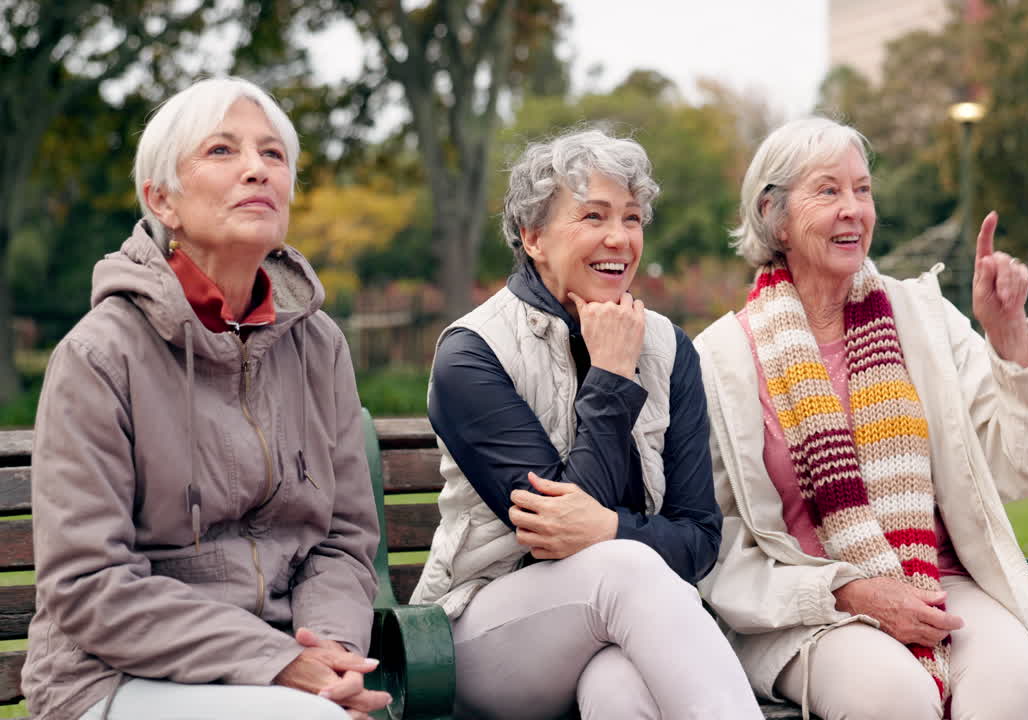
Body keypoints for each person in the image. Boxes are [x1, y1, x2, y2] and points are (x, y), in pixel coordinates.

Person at [693, 116, 1028, 720]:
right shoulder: (721, 358)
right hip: (806, 607)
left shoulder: (923, 321)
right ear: (774, 216)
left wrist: (1008, 334)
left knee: (1015, 688)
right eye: (828, 191)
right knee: (891, 697)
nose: (853, 208)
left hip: (939, 580)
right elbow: (717, 546)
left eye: (863, 189)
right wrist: (851, 593)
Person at [21, 77, 390, 720]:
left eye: (273, 155)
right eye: (222, 151)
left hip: (287, 670)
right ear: (161, 199)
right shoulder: (98, 355)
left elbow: (342, 540)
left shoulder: (318, 344)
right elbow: (87, 585)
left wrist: (328, 655)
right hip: (111, 678)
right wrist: (276, 666)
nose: (257, 169)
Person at [409, 128, 761, 720]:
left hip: (617, 621)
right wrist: (614, 374)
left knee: (621, 688)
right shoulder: (472, 353)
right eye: (593, 216)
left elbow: (700, 540)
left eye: (631, 217)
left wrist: (603, 526)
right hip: (481, 634)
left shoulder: (670, 349)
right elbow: (554, 539)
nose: (619, 238)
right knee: (621, 566)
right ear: (533, 236)